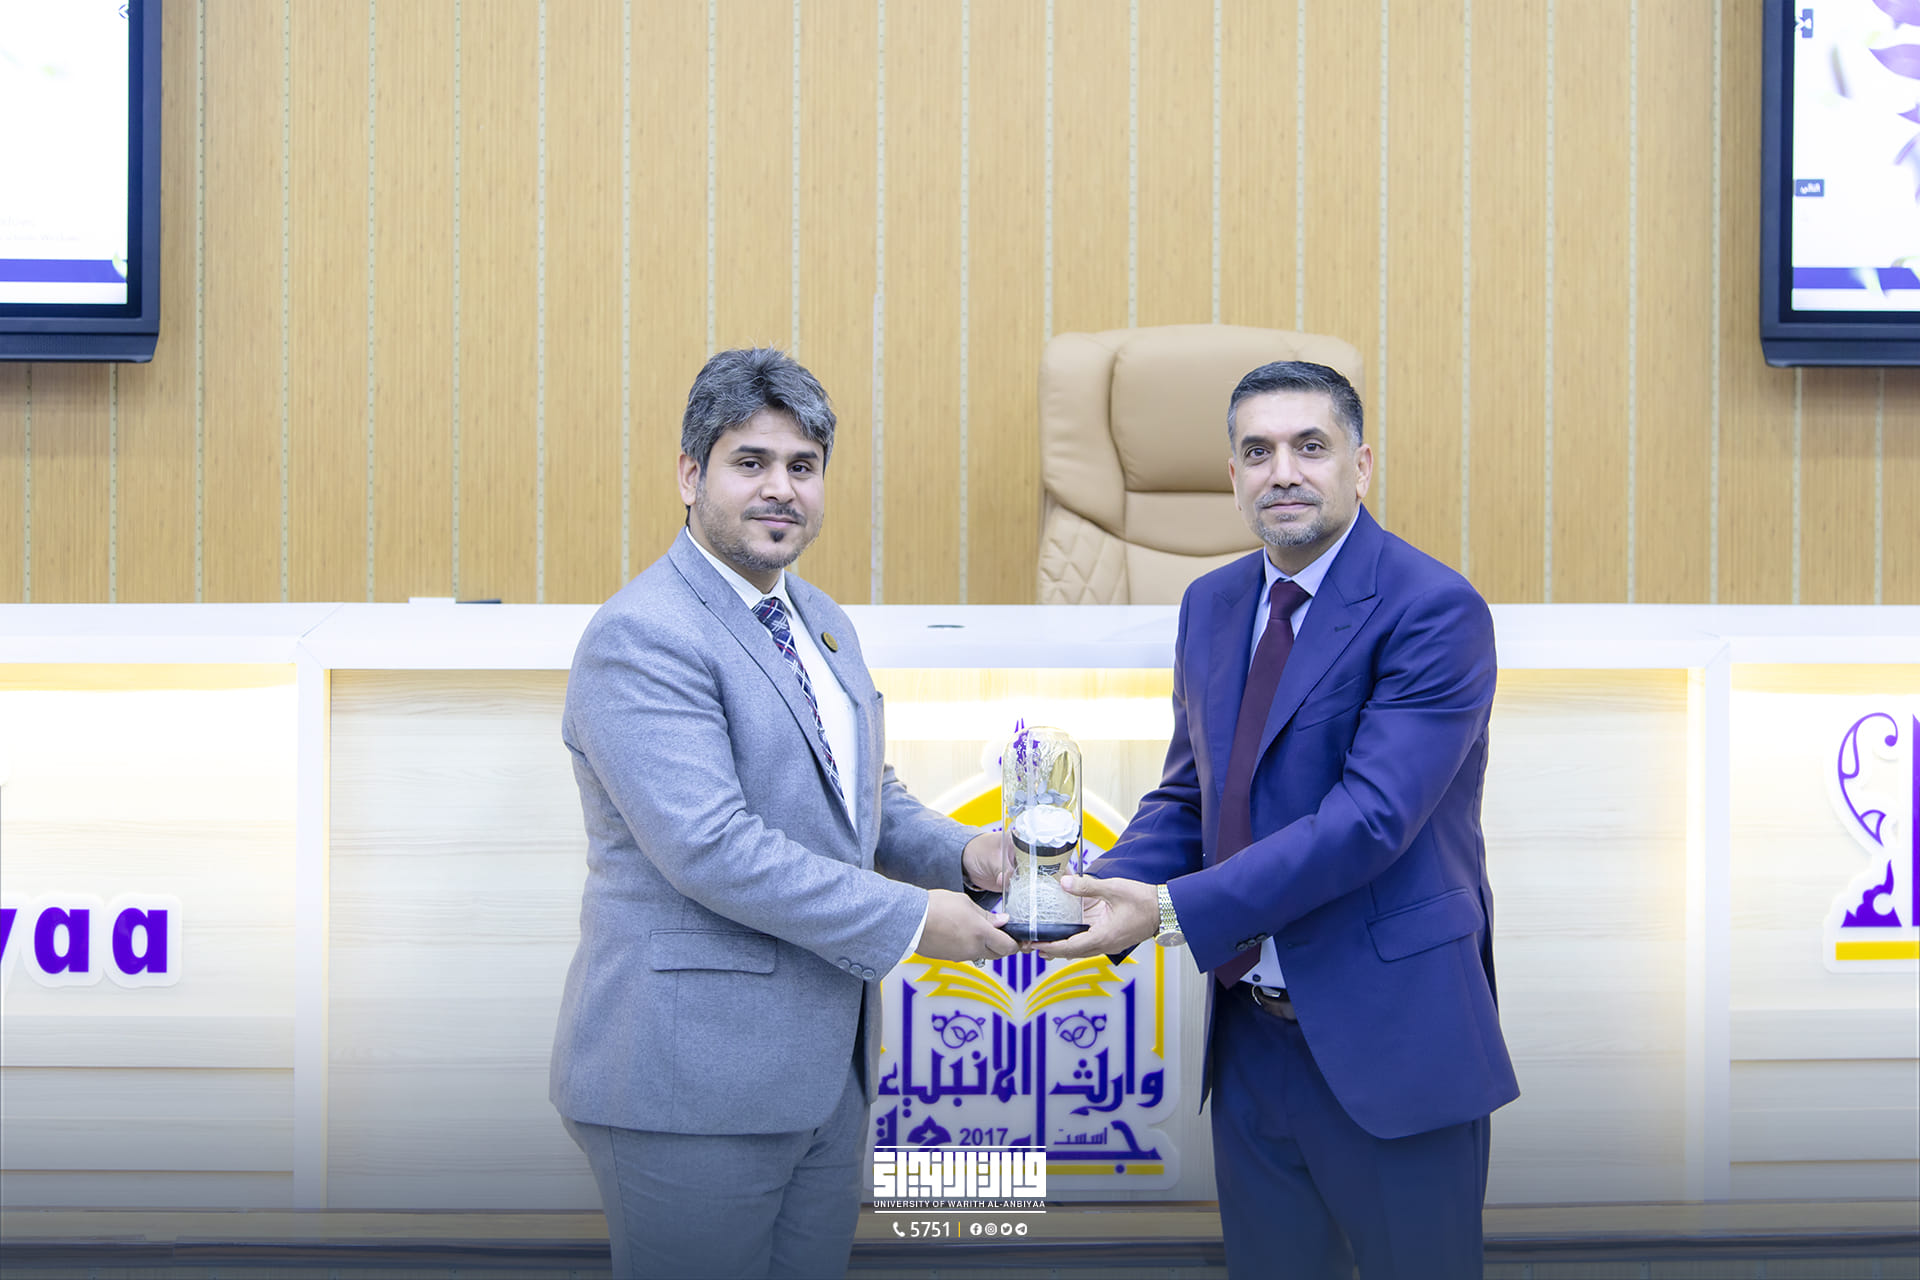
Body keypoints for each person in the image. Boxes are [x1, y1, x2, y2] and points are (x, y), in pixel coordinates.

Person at [1037, 360, 1518, 1279]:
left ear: (1360, 466)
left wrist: (1168, 911)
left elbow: (1369, 820)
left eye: (1310, 447)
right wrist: (1089, 890)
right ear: (1233, 476)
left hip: (1393, 1039)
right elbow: (1191, 795)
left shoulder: (1433, 608)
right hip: (1252, 1042)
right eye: (1257, 453)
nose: (1282, 472)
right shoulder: (1212, 605)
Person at [550, 347, 1019, 1279]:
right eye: (751, 462)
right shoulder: (644, 634)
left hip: (821, 1075)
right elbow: (711, 848)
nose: (781, 489)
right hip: (690, 1083)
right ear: (691, 476)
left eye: (803, 466)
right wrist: (916, 919)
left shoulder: (819, 619)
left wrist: (970, 856)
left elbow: (864, 800)